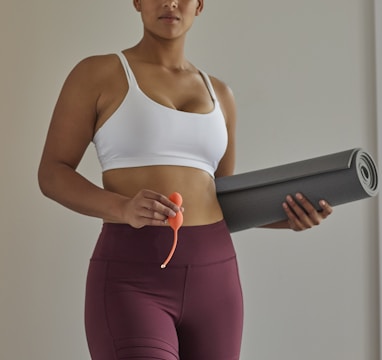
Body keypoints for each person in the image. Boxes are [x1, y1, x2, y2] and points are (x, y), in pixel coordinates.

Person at [38, 0, 333, 359]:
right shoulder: (97, 73)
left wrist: (286, 217)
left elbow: (223, 200)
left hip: (217, 283)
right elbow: (53, 173)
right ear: (137, 2)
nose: (170, 3)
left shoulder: (221, 95)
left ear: (199, 5)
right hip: (131, 279)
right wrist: (122, 207)